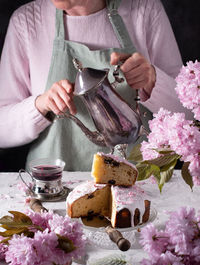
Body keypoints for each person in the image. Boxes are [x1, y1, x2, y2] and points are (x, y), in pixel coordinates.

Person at [0, 0, 193, 171]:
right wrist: (41, 105)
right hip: (54, 192)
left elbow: (190, 115)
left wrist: (153, 81)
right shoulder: (26, 22)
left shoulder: (145, 10)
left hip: (140, 185)